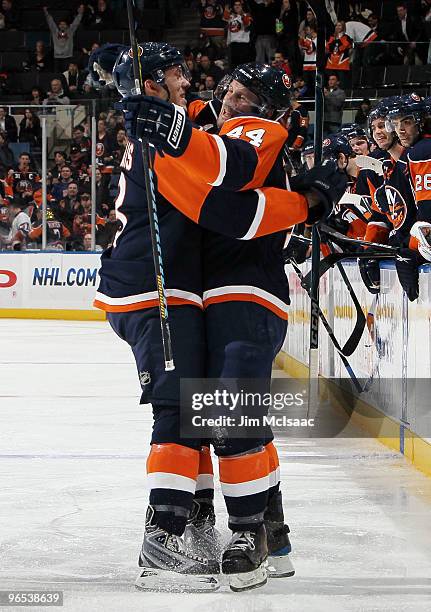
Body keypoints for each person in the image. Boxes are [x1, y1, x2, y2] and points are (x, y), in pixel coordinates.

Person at [121, 61, 347, 591]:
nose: (231, 104)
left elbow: (229, 208)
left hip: (244, 290)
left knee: (226, 409)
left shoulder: (256, 131)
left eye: (246, 98)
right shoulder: (212, 125)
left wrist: (307, 203)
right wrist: (134, 84)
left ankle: (246, 533)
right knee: (212, 410)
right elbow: (194, 114)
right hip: (210, 293)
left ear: (269, 109)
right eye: (231, 93)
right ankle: (265, 528)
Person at [387, 94, 431, 300]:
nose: (400, 130)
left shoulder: (422, 151)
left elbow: (428, 223)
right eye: (396, 124)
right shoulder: (415, 151)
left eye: (407, 122)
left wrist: (409, 250)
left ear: (421, 121)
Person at [43, 4, 84, 72]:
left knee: (66, 74)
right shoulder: (55, 31)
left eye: (64, 24)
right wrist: (46, 13)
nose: (62, 26)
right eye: (60, 24)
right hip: (57, 57)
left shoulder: (70, 31)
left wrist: (80, 13)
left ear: (67, 26)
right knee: (57, 74)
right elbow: (50, 22)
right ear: (58, 25)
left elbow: (75, 23)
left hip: (67, 57)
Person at [223, 0, 252, 68]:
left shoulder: (247, 15)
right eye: (235, 5)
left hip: (243, 45)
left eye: (239, 5)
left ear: (242, 6)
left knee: (244, 66)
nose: (237, 6)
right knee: (234, 66)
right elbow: (224, 18)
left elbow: (247, 25)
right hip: (233, 44)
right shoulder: (231, 17)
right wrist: (226, 10)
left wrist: (241, 15)